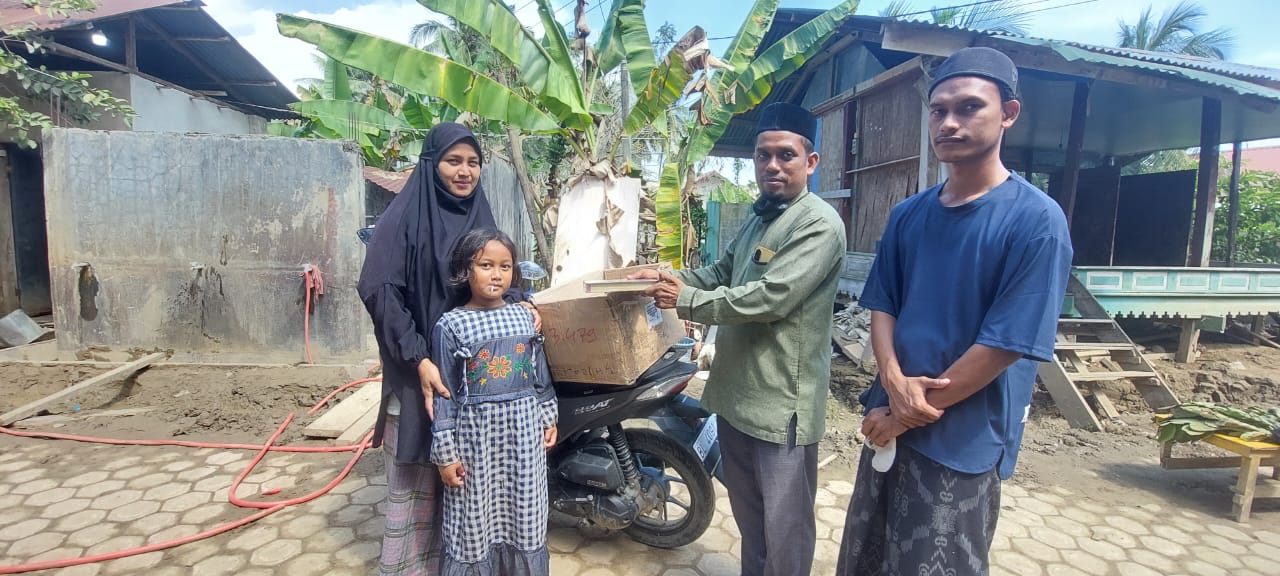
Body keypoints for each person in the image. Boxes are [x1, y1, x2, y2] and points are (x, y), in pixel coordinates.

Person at [835, 47, 1073, 576]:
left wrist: (905, 411)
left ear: (1009, 113)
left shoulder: (1036, 221)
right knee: (865, 558)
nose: (949, 122)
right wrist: (892, 381)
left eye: (969, 108)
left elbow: (1007, 342)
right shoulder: (908, 215)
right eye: (938, 110)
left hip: (960, 440)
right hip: (888, 424)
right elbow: (883, 304)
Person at [633, 102, 847, 576]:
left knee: (785, 529)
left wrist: (683, 299)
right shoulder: (758, 218)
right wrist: (662, 276)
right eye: (763, 155)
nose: (772, 165)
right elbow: (719, 273)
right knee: (753, 523)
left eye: (786, 155)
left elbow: (772, 297)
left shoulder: (817, 223)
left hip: (780, 407)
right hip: (736, 398)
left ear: (810, 162)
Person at [358, 122, 505, 576]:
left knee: (467, 485)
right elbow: (379, 287)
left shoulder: (481, 216)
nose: (464, 172)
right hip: (417, 366)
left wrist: (524, 305)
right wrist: (418, 357)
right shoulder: (405, 216)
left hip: (471, 374)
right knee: (417, 484)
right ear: (431, 164)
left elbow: (497, 274)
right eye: (453, 161)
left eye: (473, 162)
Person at [429, 227, 557, 576]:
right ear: (465, 270)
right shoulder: (451, 326)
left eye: (505, 266)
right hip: (475, 446)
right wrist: (446, 454)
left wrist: (549, 416)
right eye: (486, 265)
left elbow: (538, 374)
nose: (497, 274)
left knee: (524, 513)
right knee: (473, 516)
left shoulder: (524, 316)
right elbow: (446, 394)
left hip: (523, 441)